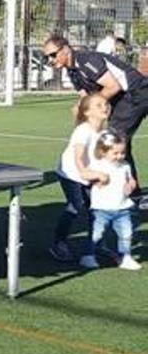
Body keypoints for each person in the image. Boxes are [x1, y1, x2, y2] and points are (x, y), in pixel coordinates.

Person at [43, 35, 148, 190]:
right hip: (122, 99)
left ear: (66, 49)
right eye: (47, 57)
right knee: (115, 139)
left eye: (53, 55)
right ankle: (131, 191)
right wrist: (81, 116)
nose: (50, 60)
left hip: (137, 93)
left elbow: (113, 86)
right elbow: (86, 99)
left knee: (113, 139)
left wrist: (90, 105)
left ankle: (122, 189)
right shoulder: (72, 71)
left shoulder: (86, 60)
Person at [48, 94, 109, 264]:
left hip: (89, 175)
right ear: (87, 112)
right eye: (98, 105)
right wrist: (84, 172)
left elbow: (107, 156)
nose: (104, 107)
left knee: (97, 210)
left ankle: (95, 245)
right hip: (70, 174)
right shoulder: (83, 130)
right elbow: (78, 156)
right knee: (76, 205)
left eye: (105, 104)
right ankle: (58, 243)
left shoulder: (104, 133)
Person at [85, 130, 141, 270]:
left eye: (122, 153)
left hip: (122, 207)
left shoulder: (125, 166)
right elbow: (87, 177)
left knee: (126, 234)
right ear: (103, 151)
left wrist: (130, 185)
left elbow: (131, 180)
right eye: (115, 153)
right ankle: (88, 256)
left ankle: (125, 257)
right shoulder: (98, 165)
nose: (119, 156)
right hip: (101, 208)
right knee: (96, 233)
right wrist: (95, 179)